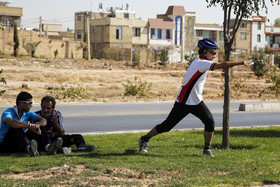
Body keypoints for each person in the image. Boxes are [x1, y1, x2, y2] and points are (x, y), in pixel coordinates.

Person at [139, 38, 248, 157]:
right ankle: (144, 139)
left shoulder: (201, 62)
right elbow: (222, 65)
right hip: (184, 102)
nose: (214, 55)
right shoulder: (200, 62)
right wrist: (239, 63)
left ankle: (207, 149)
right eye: (213, 52)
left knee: (210, 122)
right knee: (166, 126)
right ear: (205, 51)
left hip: (196, 101)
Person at [0, 92, 63, 157]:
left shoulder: (28, 113)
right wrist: (29, 126)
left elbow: (43, 120)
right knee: (16, 128)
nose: (31, 105)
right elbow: (10, 122)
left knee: (40, 127)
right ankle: (30, 148)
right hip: (6, 144)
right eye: (29, 103)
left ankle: (48, 147)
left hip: (20, 143)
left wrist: (37, 125)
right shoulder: (8, 112)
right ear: (22, 103)